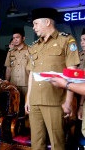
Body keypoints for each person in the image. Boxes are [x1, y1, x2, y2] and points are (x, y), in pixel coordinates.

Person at [25, 8, 80, 150]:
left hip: (54, 102)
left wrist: (68, 102)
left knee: (57, 144)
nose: (34, 27)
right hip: (35, 101)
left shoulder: (66, 40)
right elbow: (32, 73)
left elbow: (72, 72)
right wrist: (28, 99)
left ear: (47, 22)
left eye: (36, 23)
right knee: (36, 144)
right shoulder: (36, 46)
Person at [4, 28, 30, 117]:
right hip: (13, 84)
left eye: (17, 37)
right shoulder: (11, 52)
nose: (15, 40)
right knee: (13, 108)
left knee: (26, 107)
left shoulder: (30, 50)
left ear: (23, 38)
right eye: (14, 38)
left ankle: (26, 127)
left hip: (26, 84)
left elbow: (33, 69)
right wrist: (6, 82)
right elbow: (8, 68)